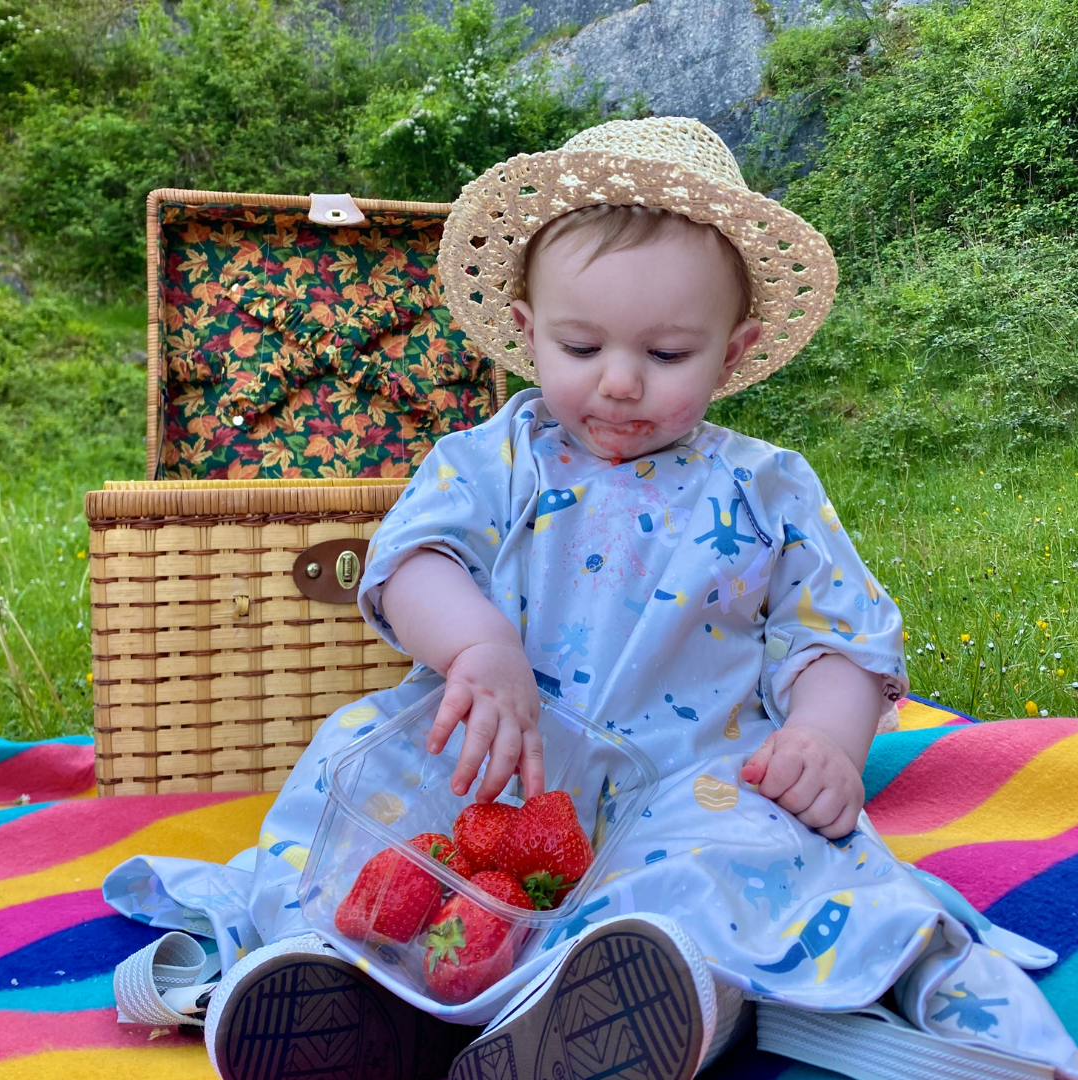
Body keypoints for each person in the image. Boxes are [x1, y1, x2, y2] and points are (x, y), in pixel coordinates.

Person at [104, 117, 1077, 1080]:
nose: (618, 383)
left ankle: (628, 1006)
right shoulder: (496, 458)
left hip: (683, 785)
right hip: (490, 772)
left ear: (730, 355)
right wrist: (477, 646)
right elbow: (413, 564)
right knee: (360, 826)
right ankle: (352, 986)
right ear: (528, 336)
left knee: (725, 871)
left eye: (665, 356)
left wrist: (828, 737)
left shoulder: (766, 487)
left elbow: (836, 634)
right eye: (581, 347)